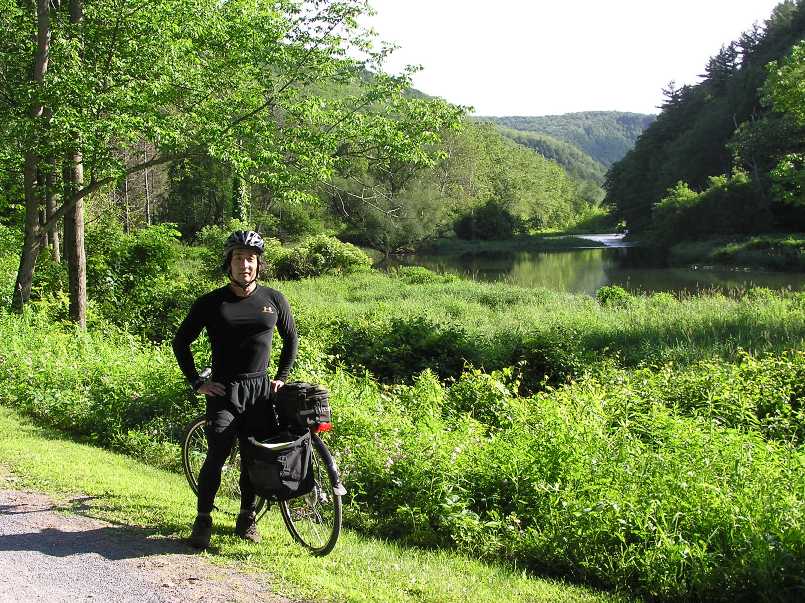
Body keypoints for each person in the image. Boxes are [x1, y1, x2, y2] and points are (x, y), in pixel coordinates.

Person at [172, 230, 298, 549]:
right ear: (228, 264)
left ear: (258, 265)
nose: (245, 265)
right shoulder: (211, 302)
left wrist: (281, 376)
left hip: (259, 390)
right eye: (239, 259)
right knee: (217, 453)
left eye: (251, 259)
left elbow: (290, 340)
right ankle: (202, 519)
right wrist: (198, 382)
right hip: (224, 390)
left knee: (253, 457)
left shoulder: (274, 300)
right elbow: (181, 343)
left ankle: (246, 517)